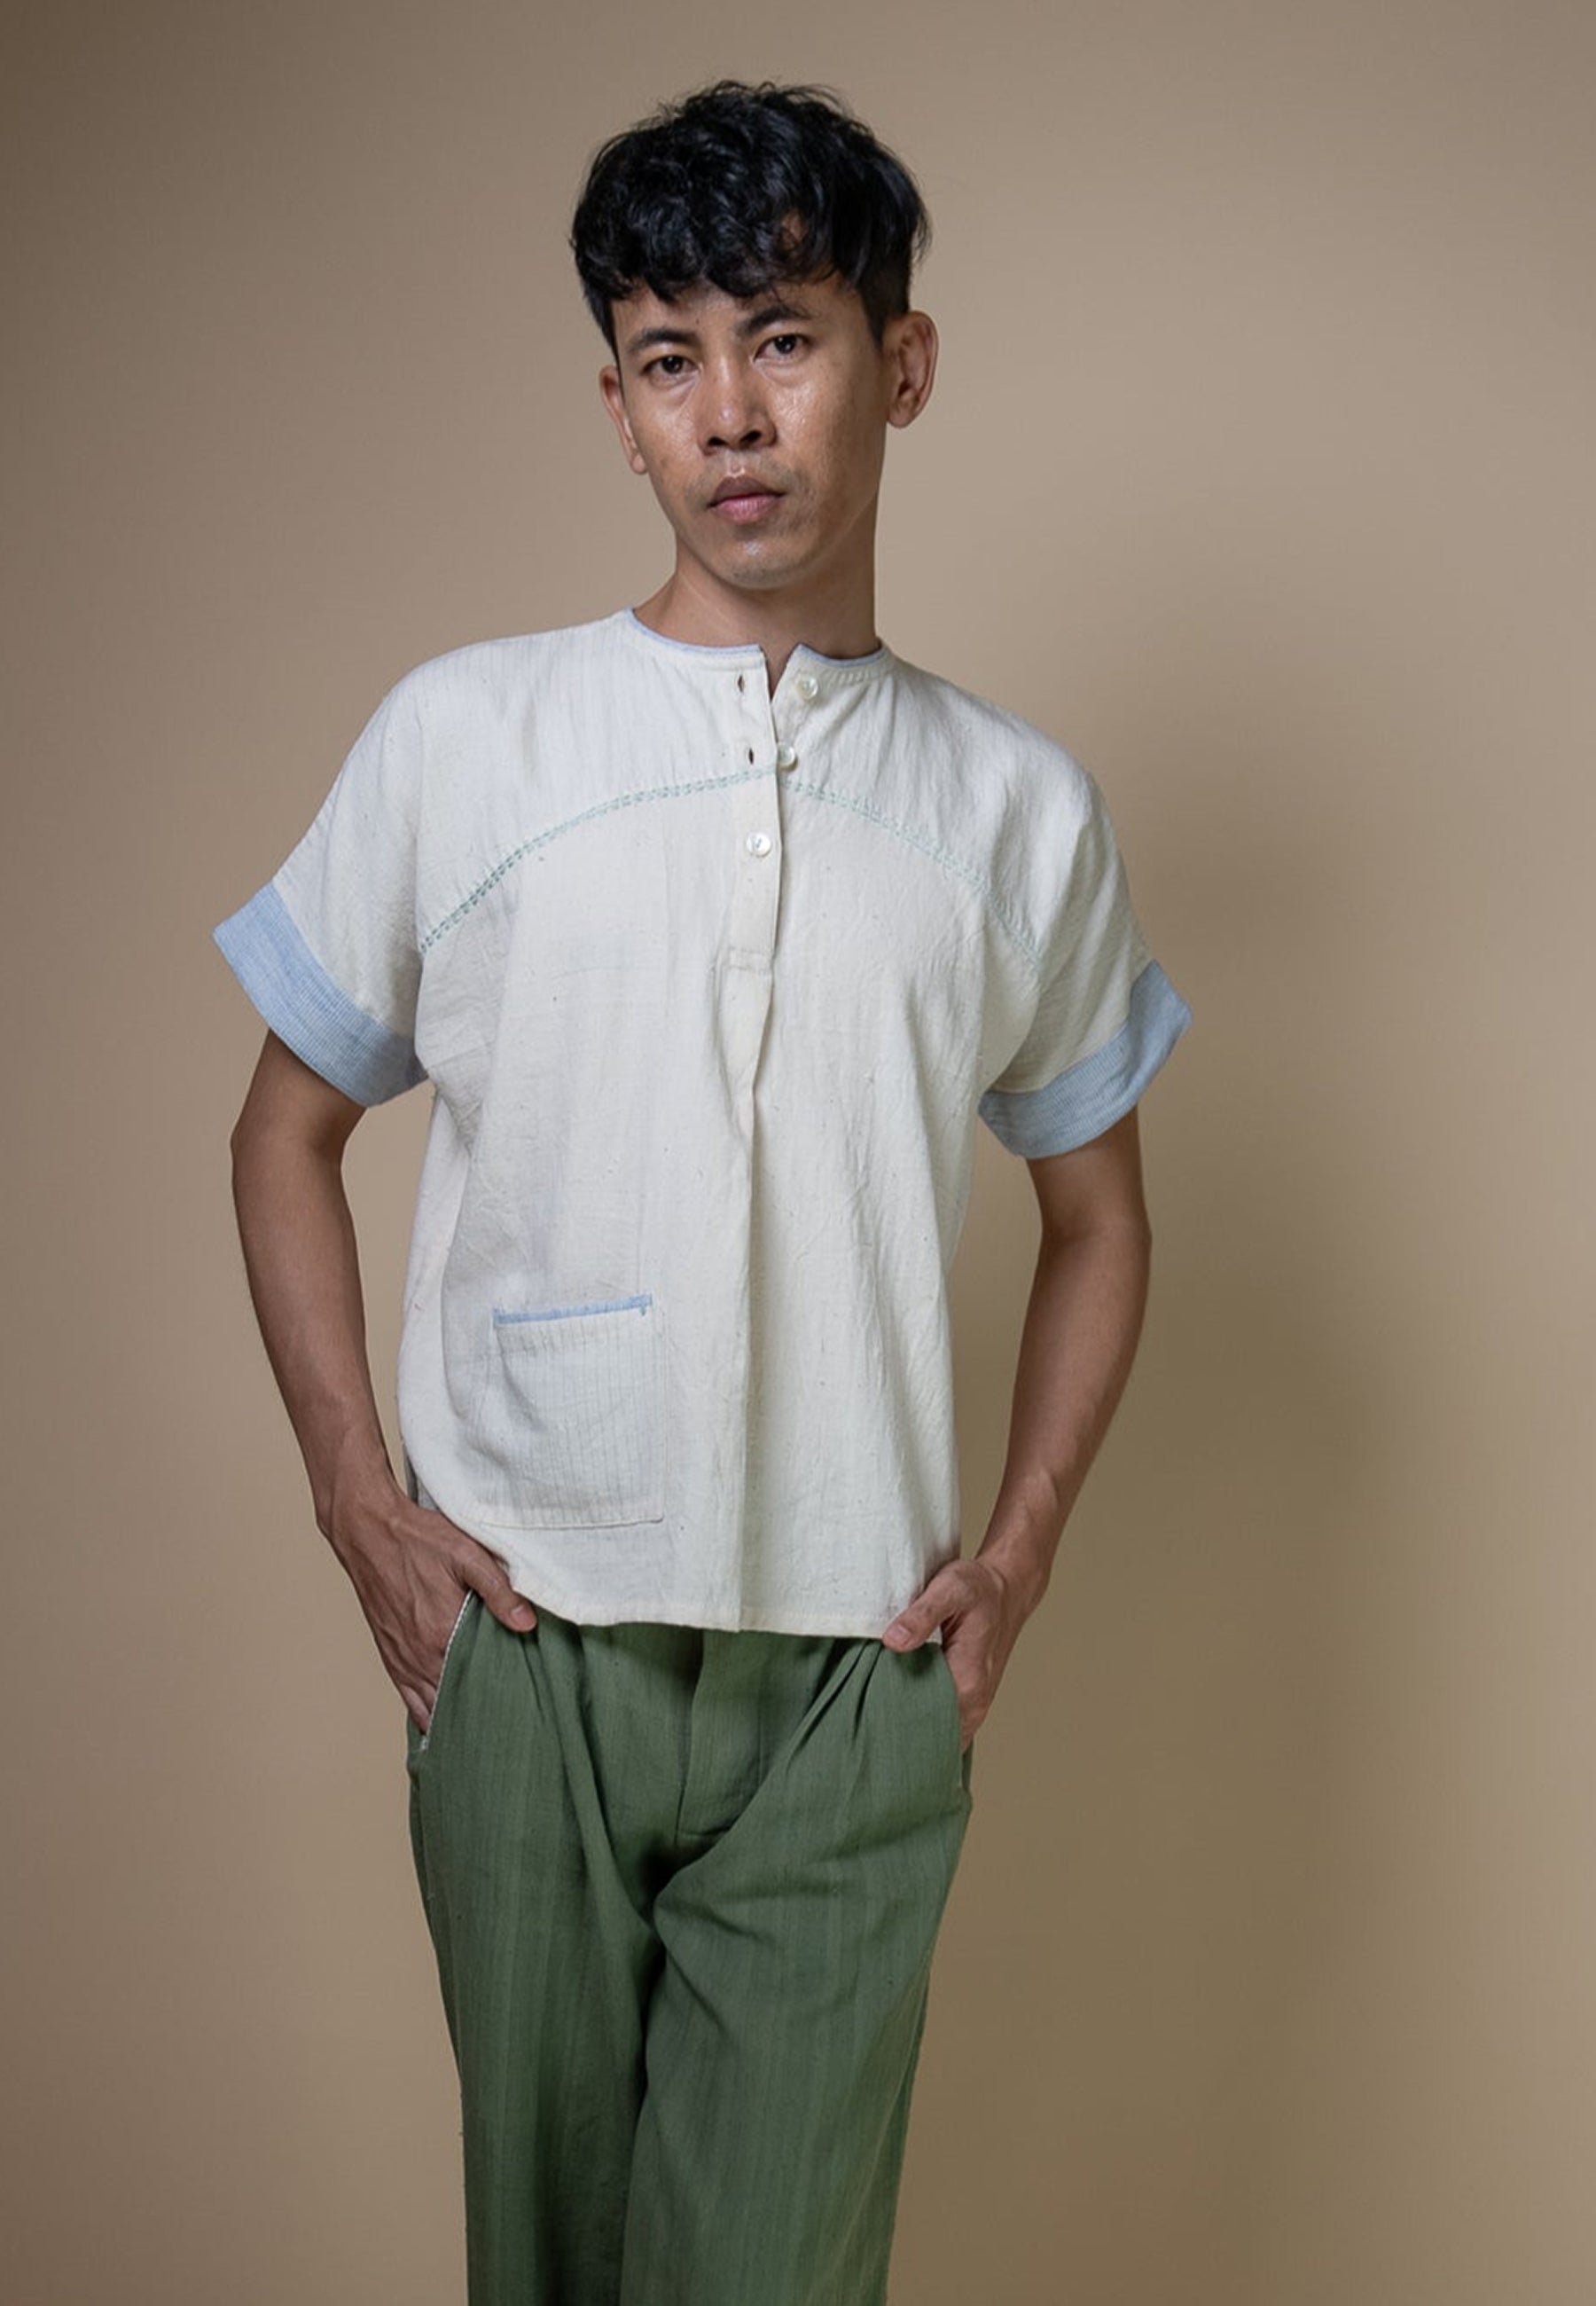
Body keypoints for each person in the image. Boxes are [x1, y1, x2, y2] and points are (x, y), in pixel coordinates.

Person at [214, 77, 1192, 2306]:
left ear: (900, 365)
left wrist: (1020, 1548)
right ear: (619, 408)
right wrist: (360, 1499)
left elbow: (1103, 1215)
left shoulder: (1018, 810)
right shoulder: (467, 740)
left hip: (855, 1678)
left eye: (783, 337)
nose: (731, 413)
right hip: (523, 1645)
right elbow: (284, 1131)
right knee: (543, 2270)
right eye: (670, 358)